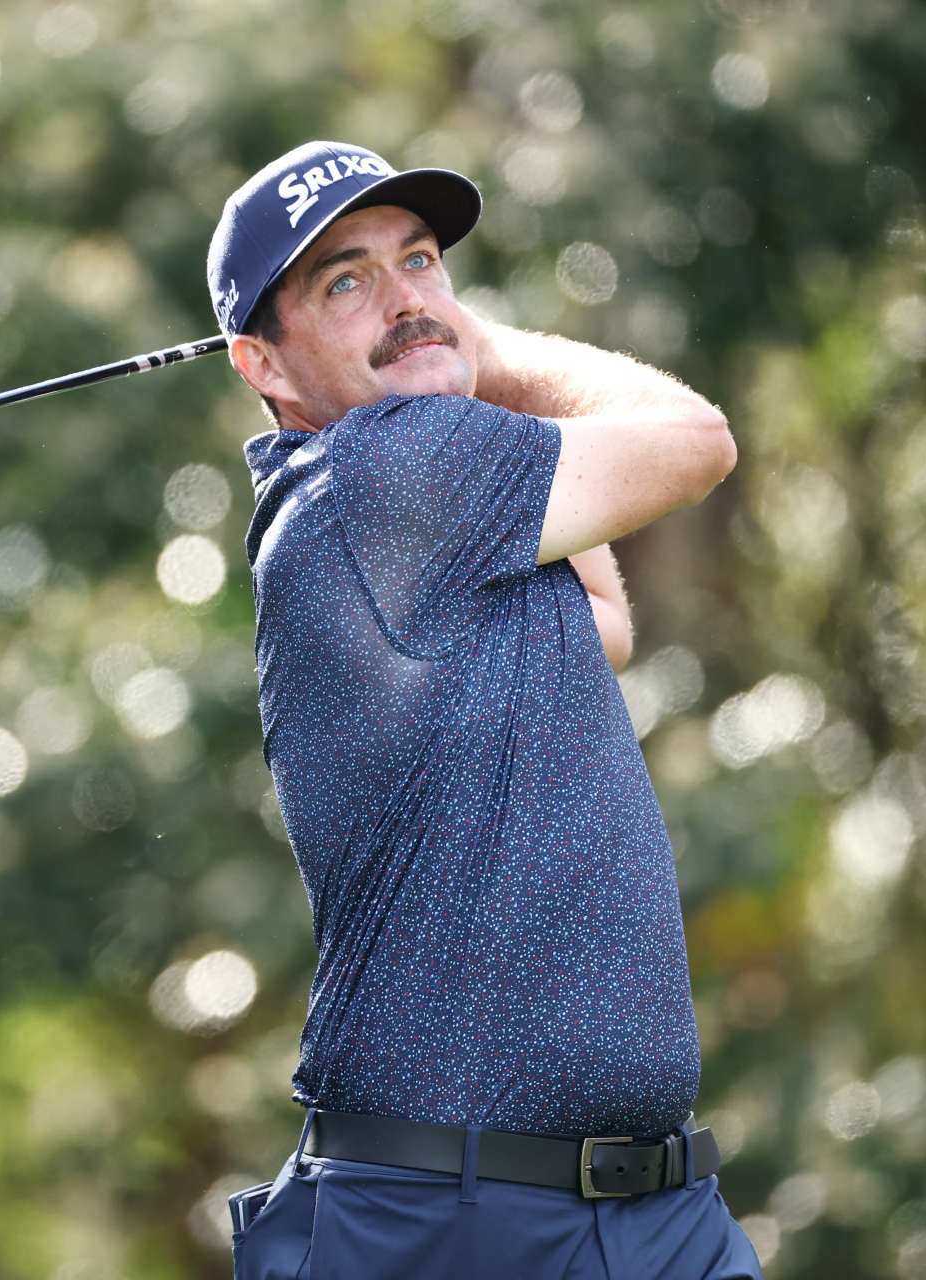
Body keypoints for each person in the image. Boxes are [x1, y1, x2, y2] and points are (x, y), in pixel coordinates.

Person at [207, 140, 758, 1280]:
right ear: (262, 361)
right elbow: (696, 440)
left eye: (420, 263)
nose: (405, 299)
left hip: (651, 1213)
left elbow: (603, 622)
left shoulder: (443, 515)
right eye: (346, 282)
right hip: (449, 1224)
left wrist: (441, 357)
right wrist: (481, 348)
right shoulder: (384, 472)